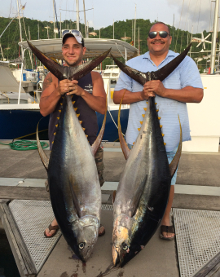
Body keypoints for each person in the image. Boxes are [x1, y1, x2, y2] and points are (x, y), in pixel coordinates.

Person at [113, 22, 203, 240]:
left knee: (167, 180)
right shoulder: (133, 63)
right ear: (148, 39)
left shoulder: (185, 63)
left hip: (171, 136)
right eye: (153, 34)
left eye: (163, 34)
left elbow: (197, 95)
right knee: (135, 181)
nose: (158, 37)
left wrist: (163, 91)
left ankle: (165, 218)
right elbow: (117, 97)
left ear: (169, 38)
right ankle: (133, 217)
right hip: (138, 136)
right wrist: (143, 95)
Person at [40, 30, 106, 237]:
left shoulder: (95, 76)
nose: (71, 51)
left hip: (89, 145)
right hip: (61, 147)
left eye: (76, 46)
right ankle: (58, 217)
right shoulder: (51, 77)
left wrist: (81, 92)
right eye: (67, 47)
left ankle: (92, 216)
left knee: (91, 183)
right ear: (62, 51)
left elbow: (102, 107)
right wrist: (59, 91)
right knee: (59, 184)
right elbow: (43, 109)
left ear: (83, 50)